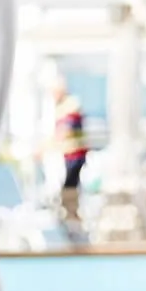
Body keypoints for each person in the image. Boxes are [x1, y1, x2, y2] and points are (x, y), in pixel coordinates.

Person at [49, 75, 88, 229]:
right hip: (68, 153)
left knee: (70, 186)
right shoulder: (62, 106)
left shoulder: (70, 105)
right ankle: (70, 214)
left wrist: (49, 144)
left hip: (75, 154)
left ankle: (72, 215)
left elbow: (66, 130)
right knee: (69, 185)